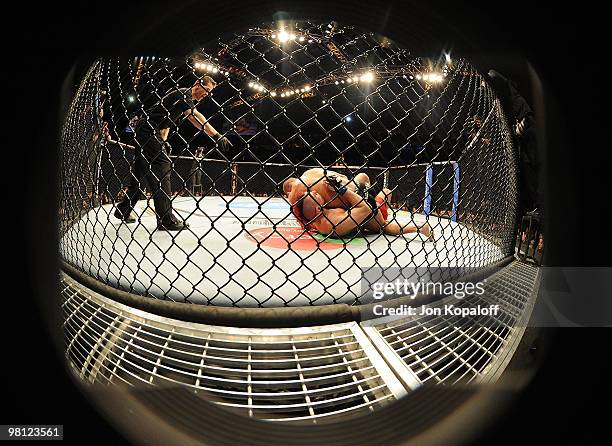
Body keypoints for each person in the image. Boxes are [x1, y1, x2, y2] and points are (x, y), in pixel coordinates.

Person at [114, 75, 231, 231]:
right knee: (162, 167)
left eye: (211, 93)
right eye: (207, 90)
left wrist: (162, 142)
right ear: (197, 83)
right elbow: (194, 116)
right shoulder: (184, 93)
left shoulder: (179, 98)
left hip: (145, 130)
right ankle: (166, 219)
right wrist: (216, 134)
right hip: (147, 130)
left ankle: (123, 210)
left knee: (140, 173)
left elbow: (166, 124)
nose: (207, 95)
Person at [283, 168, 432, 238]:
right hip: (358, 184)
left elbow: (303, 216)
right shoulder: (311, 172)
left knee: (385, 227)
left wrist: (342, 192)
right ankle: (382, 201)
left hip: (359, 202)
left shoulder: (295, 195)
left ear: (288, 191)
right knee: (380, 189)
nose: (312, 192)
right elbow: (341, 176)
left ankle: (419, 227)